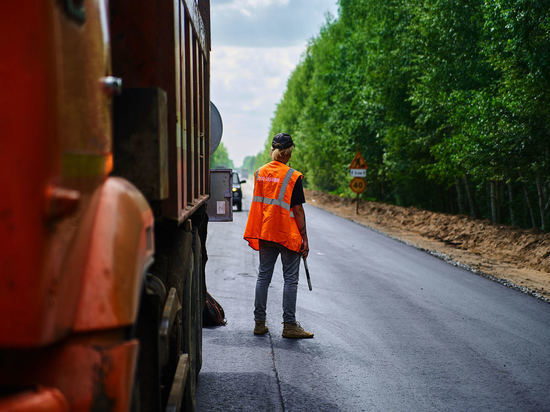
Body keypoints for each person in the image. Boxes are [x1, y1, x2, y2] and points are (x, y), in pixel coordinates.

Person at [243, 133, 314, 339]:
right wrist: (305, 239)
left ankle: (259, 323)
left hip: (265, 232)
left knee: (263, 276)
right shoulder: (293, 176)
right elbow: (298, 211)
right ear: (288, 152)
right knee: (290, 280)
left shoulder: (260, 173)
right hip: (286, 234)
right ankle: (289, 326)